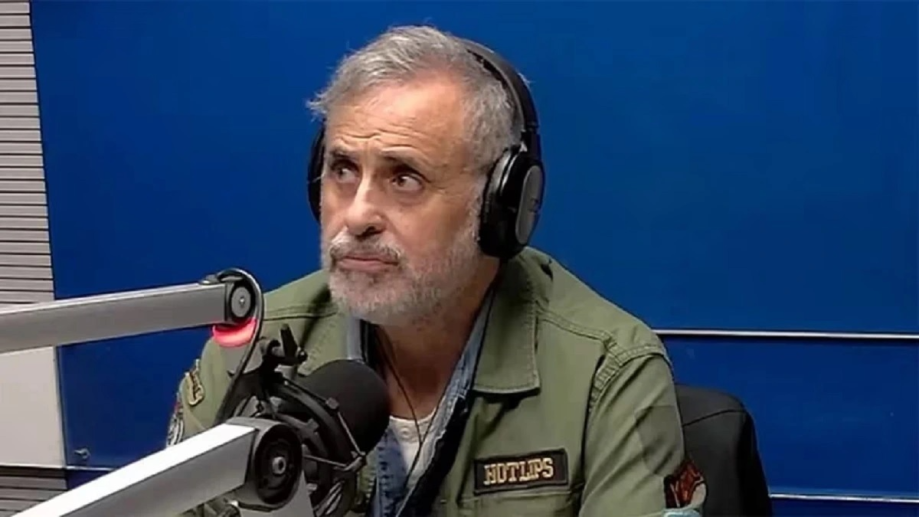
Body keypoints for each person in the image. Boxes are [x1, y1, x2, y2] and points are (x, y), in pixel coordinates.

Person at [168, 25, 705, 517]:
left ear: (498, 206)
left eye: (404, 178)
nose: (356, 216)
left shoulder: (607, 372)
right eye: (343, 170)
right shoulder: (249, 354)